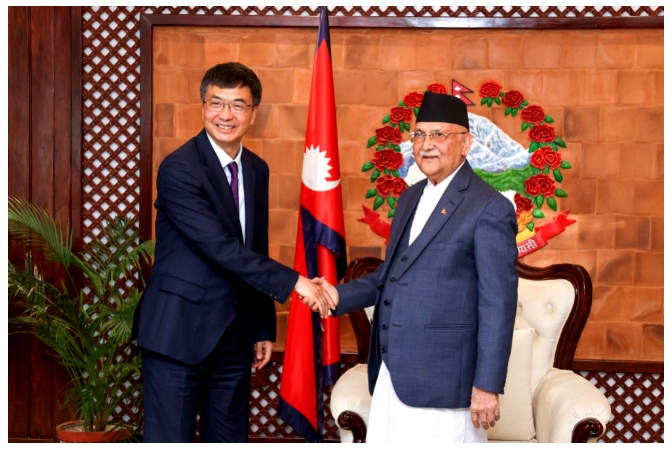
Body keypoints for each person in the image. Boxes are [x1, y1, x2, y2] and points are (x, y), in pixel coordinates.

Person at [131, 62, 334, 443]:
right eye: (217, 103)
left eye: (238, 105)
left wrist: (262, 326)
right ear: (202, 107)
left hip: (234, 337)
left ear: (253, 113)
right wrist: (295, 282)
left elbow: (254, 247)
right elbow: (219, 248)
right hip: (177, 332)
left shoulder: (256, 169)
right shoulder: (179, 169)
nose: (226, 115)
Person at [315, 92, 519, 443]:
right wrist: (336, 295)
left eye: (438, 134)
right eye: (419, 135)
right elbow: (392, 275)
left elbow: (498, 304)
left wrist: (487, 385)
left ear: (465, 143)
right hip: (392, 375)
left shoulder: (489, 207)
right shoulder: (410, 197)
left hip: (446, 384)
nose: (426, 145)